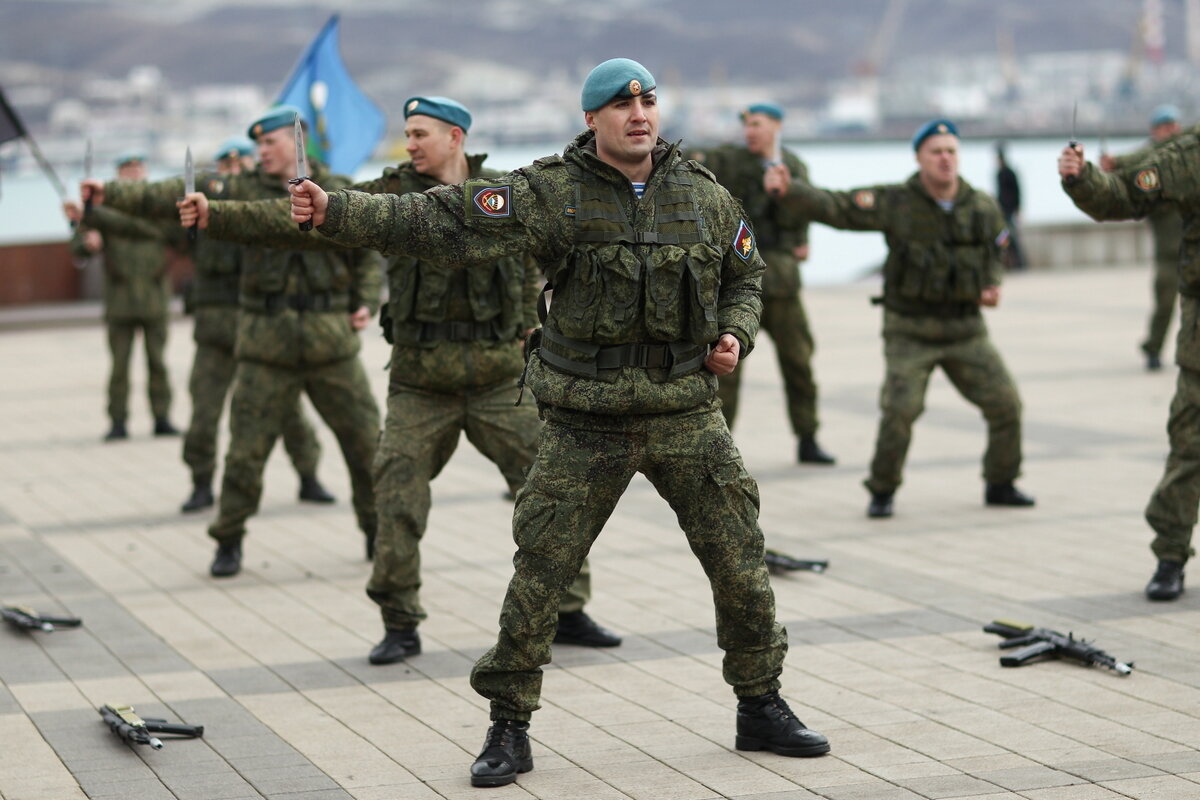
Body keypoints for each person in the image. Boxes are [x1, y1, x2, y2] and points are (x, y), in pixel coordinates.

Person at [285, 58, 831, 787]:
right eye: (620, 103)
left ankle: (760, 703)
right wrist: (334, 209)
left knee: (741, 565)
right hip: (585, 423)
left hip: (686, 415)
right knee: (539, 578)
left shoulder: (703, 195)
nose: (638, 113)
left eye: (648, 100)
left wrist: (735, 333)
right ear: (591, 119)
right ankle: (508, 727)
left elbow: (745, 275)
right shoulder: (554, 193)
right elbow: (440, 219)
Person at [179, 96, 621, 663]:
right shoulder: (391, 193)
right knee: (396, 494)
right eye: (407, 133)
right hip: (420, 383)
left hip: (499, 381)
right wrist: (219, 214)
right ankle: (399, 620)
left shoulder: (507, 195)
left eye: (419, 133)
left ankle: (570, 609)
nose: (409, 143)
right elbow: (289, 224)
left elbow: (563, 254)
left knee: (552, 492)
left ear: (455, 137)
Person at [83, 106, 383, 577]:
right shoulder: (240, 187)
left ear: (295, 142)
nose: (261, 151)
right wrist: (111, 193)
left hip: (331, 343)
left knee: (367, 446)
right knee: (245, 452)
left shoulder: (339, 190)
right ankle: (229, 539)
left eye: (270, 143)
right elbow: (172, 192)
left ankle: (376, 532)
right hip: (266, 343)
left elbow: (365, 255)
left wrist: (367, 299)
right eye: (258, 144)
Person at [768, 119, 1034, 519]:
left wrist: (992, 285)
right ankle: (882, 489)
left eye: (951, 151)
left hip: (966, 330)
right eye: (936, 152)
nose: (945, 159)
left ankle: (1001, 481)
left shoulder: (980, 205)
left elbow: (997, 249)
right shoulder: (898, 202)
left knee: (1007, 405)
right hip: (910, 330)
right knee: (900, 410)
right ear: (919, 157)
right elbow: (838, 207)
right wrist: (791, 190)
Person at [1059, 130, 1200, 601]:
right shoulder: (1190, 155)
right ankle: (1170, 557)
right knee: (1190, 449)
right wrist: (1083, 179)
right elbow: (1123, 196)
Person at [176, 135, 335, 513]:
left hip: (261, 327)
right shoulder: (206, 205)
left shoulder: (264, 207)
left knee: (289, 412)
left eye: (240, 164)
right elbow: (169, 234)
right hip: (216, 326)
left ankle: (308, 474)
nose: (233, 171)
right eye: (226, 166)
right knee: (204, 412)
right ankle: (200, 481)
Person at [687, 103, 835, 465]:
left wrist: (802, 237)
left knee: (798, 361)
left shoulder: (794, 166)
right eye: (746, 126)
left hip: (782, 284)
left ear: (776, 126)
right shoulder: (732, 161)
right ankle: (718, 444)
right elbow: (691, 161)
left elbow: (805, 208)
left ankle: (808, 436)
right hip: (735, 280)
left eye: (757, 124)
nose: (750, 131)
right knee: (727, 366)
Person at [65, 151, 180, 441]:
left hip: (154, 296)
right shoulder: (101, 211)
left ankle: (162, 417)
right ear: (117, 174)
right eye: (127, 168)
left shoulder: (159, 207)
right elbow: (78, 249)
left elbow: (179, 238)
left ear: (145, 171)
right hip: (120, 299)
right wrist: (86, 237)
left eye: (137, 168)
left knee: (158, 362)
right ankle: (118, 420)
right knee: (119, 367)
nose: (133, 173)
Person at [1100, 105, 1184, 372]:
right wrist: (1114, 163)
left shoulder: (1185, 154)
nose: (1170, 131)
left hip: (1192, 245)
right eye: (1164, 126)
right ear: (1154, 130)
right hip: (1169, 251)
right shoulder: (1151, 159)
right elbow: (1136, 161)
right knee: (1165, 304)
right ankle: (1153, 347)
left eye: (1173, 125)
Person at [994, 142, 1026, 270]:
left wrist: (1018, 209)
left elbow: (1017, 191)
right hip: (1003, 210)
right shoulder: (1000, 173)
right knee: (1006, 236)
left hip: (1009, 210)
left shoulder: (1008, 172)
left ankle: (1019, 263)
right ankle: (1013, 263)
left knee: (1011, 236)